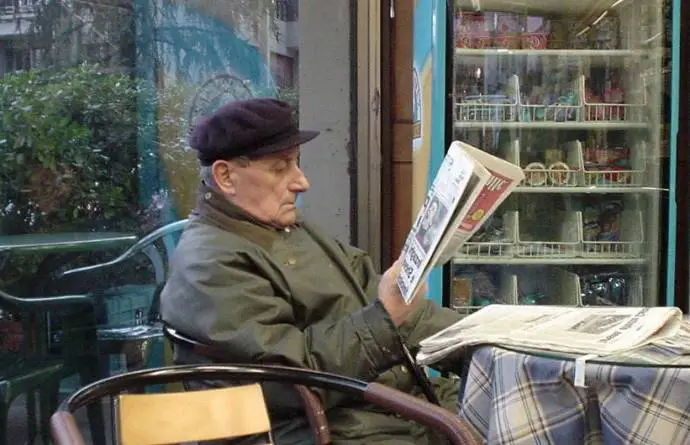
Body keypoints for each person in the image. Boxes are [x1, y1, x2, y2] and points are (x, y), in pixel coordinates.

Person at [160, 98, 464, 445]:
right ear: (226, 176)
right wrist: (386, 319)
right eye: (280, 168)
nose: (301, 182)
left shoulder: (287, 228)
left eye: (296, 164)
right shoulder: (210, 263)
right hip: (316, 430)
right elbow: (290, 377)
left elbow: (377, 297)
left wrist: (481, 339)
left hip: (383, 408)